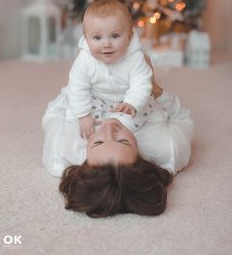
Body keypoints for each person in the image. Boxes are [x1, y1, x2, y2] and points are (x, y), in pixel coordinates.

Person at [42, 51, 194, 217]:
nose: (109, 128)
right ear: (141, 157)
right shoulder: (168, 149)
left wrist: (80, 82)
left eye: (97, 143)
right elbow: (182, 118)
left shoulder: (61, 149)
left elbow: (53, 113)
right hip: (139, 85)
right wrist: (155, 88)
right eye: (123, 141)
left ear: (83, 161)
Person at [66, 0, 153, 138]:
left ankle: (119, 131)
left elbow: (141, 83)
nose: (106, 44)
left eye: (115, 36)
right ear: (87, 39)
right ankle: (98, 128)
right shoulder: (84, 60)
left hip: (127, 99)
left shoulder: (136, 58)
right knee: (74, 112)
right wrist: (83, 116)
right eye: (97, 37)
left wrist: (131, 103)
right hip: (98, 98)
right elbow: (77, 86)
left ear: (129, 37)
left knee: (142, 110)